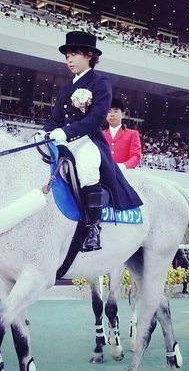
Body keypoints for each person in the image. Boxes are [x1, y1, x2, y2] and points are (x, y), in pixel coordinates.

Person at [41, 31, 142, 251]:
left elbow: (96, 117)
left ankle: (92, 228)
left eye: (74, 54)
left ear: (88, 56)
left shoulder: (100, 82)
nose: (69, 59)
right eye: (67, 55)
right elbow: (55, 119)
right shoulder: (66, 88)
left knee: (86, 169)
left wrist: (66, 133)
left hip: (88, 140)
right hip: (64, 140)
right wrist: (44, 132)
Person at [103, 99, 142, 170]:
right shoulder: (101, 134)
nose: (112, 114)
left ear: (123, 115)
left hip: (124, 174)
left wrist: (123, 166)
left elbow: (136, 156)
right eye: (109, 112)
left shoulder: (132, 134)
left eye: (115, 111)